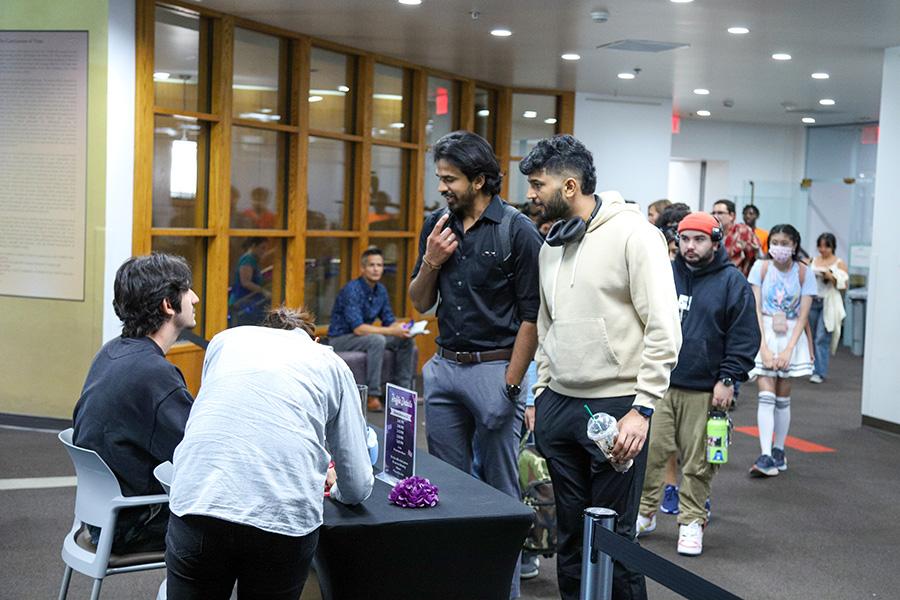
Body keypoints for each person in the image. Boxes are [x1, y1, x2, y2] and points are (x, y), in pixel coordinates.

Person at [521, 135, 681, 600]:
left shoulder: (635, 235)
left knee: (614, 543)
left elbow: (664, 329)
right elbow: (547, 330)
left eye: (537, 184)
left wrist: (643, 408)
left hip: (617, 409)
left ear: (569, 186)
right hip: (560, 409)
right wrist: (541, 395)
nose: (530, 194)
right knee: (571, 536)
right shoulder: (550, 244)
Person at [408, 130, 542, 599]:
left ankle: (503, 591)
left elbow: (532, 317)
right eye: (440, 178)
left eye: (451, 179)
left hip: (495, 370)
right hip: (444, 368)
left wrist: (510, 387)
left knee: (500, 490)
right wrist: (431, 261)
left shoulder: (517, 231)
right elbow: (420, 302)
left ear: (480, 180)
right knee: (445, 486)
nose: (442, 187)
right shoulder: (437, 225)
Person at [166, 307, 374, 599]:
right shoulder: (328, 361)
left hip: (198, 501)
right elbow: (358, 483)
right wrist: (334, 487)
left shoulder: (225, 341)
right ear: (313, 339)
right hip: (282, 520)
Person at [636, 212, 760, 556]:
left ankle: (691, 521)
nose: (690, 246)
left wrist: (728, 378)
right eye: (685, 239)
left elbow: (745, 336)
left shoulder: (731, 282)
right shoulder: (663, 273)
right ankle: (644, 513)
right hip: (659, 384)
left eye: (699, 240)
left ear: (715, 242)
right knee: (650, 454)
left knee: (699, 461)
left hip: (706, 388)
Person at [72, 253, 198, 553]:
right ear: (168, 305)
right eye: (187, 290)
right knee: (240, 521)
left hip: (101, 519)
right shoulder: (153, 374)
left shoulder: (112, 352)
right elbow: (199, 453)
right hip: (133, 524)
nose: (194, 298)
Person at [747, 224, 817, 477]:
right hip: (765, 330)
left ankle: (778, 449)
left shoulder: (804, 272)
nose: (779, 247)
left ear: (795, 245)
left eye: (785, 243)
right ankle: (765, 454)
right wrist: (763, 346)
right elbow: (754, 309)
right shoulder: (760, 267)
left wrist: (788, 350)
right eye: (775, 242)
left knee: (783, 396)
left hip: (790, 335)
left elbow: (803, 316)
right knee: (765, 395)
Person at [328, 246, 415, 411]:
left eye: (379, 265)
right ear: (363, 268)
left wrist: (403, 328)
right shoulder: (351, 290)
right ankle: (373, 396)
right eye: (371, 265)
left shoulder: (380, 290)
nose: (376, 269)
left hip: (362, 338)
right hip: (341, 339)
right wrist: (392, 331)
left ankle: (403, 393)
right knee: (377, 340)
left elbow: (388, 320)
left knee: (405, 340)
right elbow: (358, 329)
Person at [808, 233, 849, 383]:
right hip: (813, 301)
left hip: (828, 303)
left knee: (821, 338)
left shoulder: (839, 262)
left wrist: (830, 276)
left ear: (832, 247)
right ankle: (812, 368)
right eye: (820, 245)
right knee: (811, 337)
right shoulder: (813, 260)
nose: (823, 249)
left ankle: (820, 371)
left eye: (826, 246)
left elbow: (844, 284)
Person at [228, 237, 270, 326]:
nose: (264, 251)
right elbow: (245, 282)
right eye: (262, 248)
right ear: (254, 246)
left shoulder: (254, 260)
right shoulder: (247, 259)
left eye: (266, 249)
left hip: (250, 302)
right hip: (242, 301)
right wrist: (264, 291)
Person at [712, 199, 761, 277]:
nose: (715, 216)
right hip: (716, 277)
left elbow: (757, 255)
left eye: (720, 213)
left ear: (732, 216)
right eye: (713, 213)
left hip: (738, 278)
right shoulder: (714, 231)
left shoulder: (743, 231)